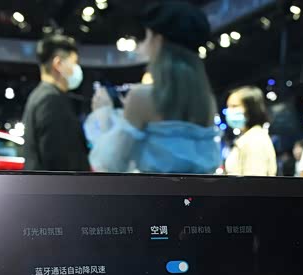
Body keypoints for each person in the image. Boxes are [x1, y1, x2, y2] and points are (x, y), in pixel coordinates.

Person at [85, 1, 218, 174]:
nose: (144, 44)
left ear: (158, 40)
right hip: (196, 192)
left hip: (154, 192)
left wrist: (103, 114)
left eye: (147, 37)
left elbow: (111, 164)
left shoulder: (142, 97)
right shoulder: (208, 102)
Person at [22, 34, 90, 172]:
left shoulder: (40, 96)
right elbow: (59, 161)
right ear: (58, 64)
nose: (77, 68)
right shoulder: (51, 100)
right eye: (74, 62)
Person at [224, 86, 277, 176]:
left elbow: (253, 181)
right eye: (228, 107)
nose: (229, 111)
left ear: (251, 108)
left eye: (234, 106)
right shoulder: (250, 137)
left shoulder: (255, 140)